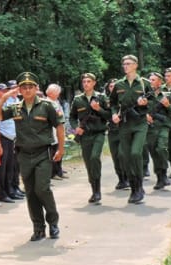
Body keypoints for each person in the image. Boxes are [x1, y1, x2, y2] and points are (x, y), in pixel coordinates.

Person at [0, 71, 64, 241]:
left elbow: (59, 127)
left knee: (42, 189)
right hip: (24, 154)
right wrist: (4, 98)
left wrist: (61, 149)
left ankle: (53, 222)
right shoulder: (15, 107)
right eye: (24, 87)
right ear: (19, 90)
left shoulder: (47, 106)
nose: (27, 90)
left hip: (43, 153)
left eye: (30, 87)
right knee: (31, 192)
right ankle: (38, 227)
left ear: (36, 88)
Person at [110, 55, 151, 204]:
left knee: (135, 153)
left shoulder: (144, 83)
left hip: (140, 123)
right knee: (126, 157)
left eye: (128, 64)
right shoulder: (119, 84)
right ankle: (134, 188)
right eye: (124, 64)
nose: (125, 66)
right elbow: (113, 102)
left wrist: (145, 103)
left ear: (135, 65)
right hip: (124, 124)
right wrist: (114, 113)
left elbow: (153, 102)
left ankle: (139, 187)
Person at [70, 73, 110, 204]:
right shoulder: (77, 99)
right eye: (84, 82)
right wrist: (76, 127)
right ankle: (94, 190)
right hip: (85, 135)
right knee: (88, 163)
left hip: (98, 133)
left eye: (89, 81)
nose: (86, 84)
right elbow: (72, 117)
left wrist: (99, 109)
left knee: (94, 158)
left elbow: (109, 115)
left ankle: (97, 190)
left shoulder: (101, 97)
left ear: (94, 83)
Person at [0, 83, 24, 203]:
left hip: (11, 139)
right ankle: (1, 193)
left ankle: (10, 189)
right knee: (1, 169)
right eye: (3, 91)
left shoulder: (9, 104)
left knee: (10, 167)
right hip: (2, 139)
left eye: (7, 90)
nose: (6, 93)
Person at [146, 72, 171, 190]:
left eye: (153, 80)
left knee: (161, 148)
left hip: (163, 126)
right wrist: (146, 116)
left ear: (160, 82)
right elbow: (139, 111)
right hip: (150, 128)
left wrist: (168, 105)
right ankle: (160, 177)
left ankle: (164, 172)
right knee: (154, 152)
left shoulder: (167, 95)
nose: (151, 82)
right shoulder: (145, 96)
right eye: (150, 80)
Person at [105, 78, 129, 190]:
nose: (113, 88)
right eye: (111, 86)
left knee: (122, 154)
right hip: (112, 131)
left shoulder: (124, 98)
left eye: (115, 86)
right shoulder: (104, 100)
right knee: (115, 156)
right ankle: (121, 179)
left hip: (124, 130)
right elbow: (103, 115)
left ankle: (128, 177)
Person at [45, 83, 66, 181]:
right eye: (57, 93)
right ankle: (53, 173)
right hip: (52, 132)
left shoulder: (56, 101)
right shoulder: (47, 103)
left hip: (59, 131)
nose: (58, 94)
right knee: (53, 153)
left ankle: (59, 171)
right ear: (50, 93)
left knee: (59, 150)